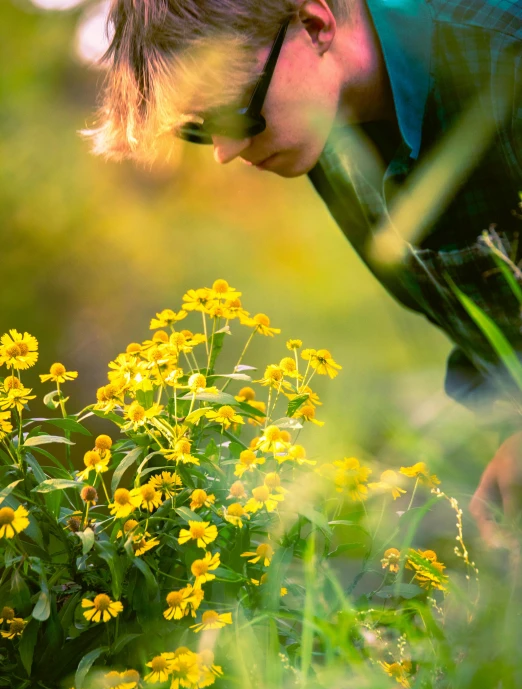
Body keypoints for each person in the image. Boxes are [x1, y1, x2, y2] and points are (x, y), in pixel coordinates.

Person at [84, 0, 522, 547]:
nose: (225, 151)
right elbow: (485, 330)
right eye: (199, 131)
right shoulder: (322, 131)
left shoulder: (503, 47)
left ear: (314, 24)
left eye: (234, 113)